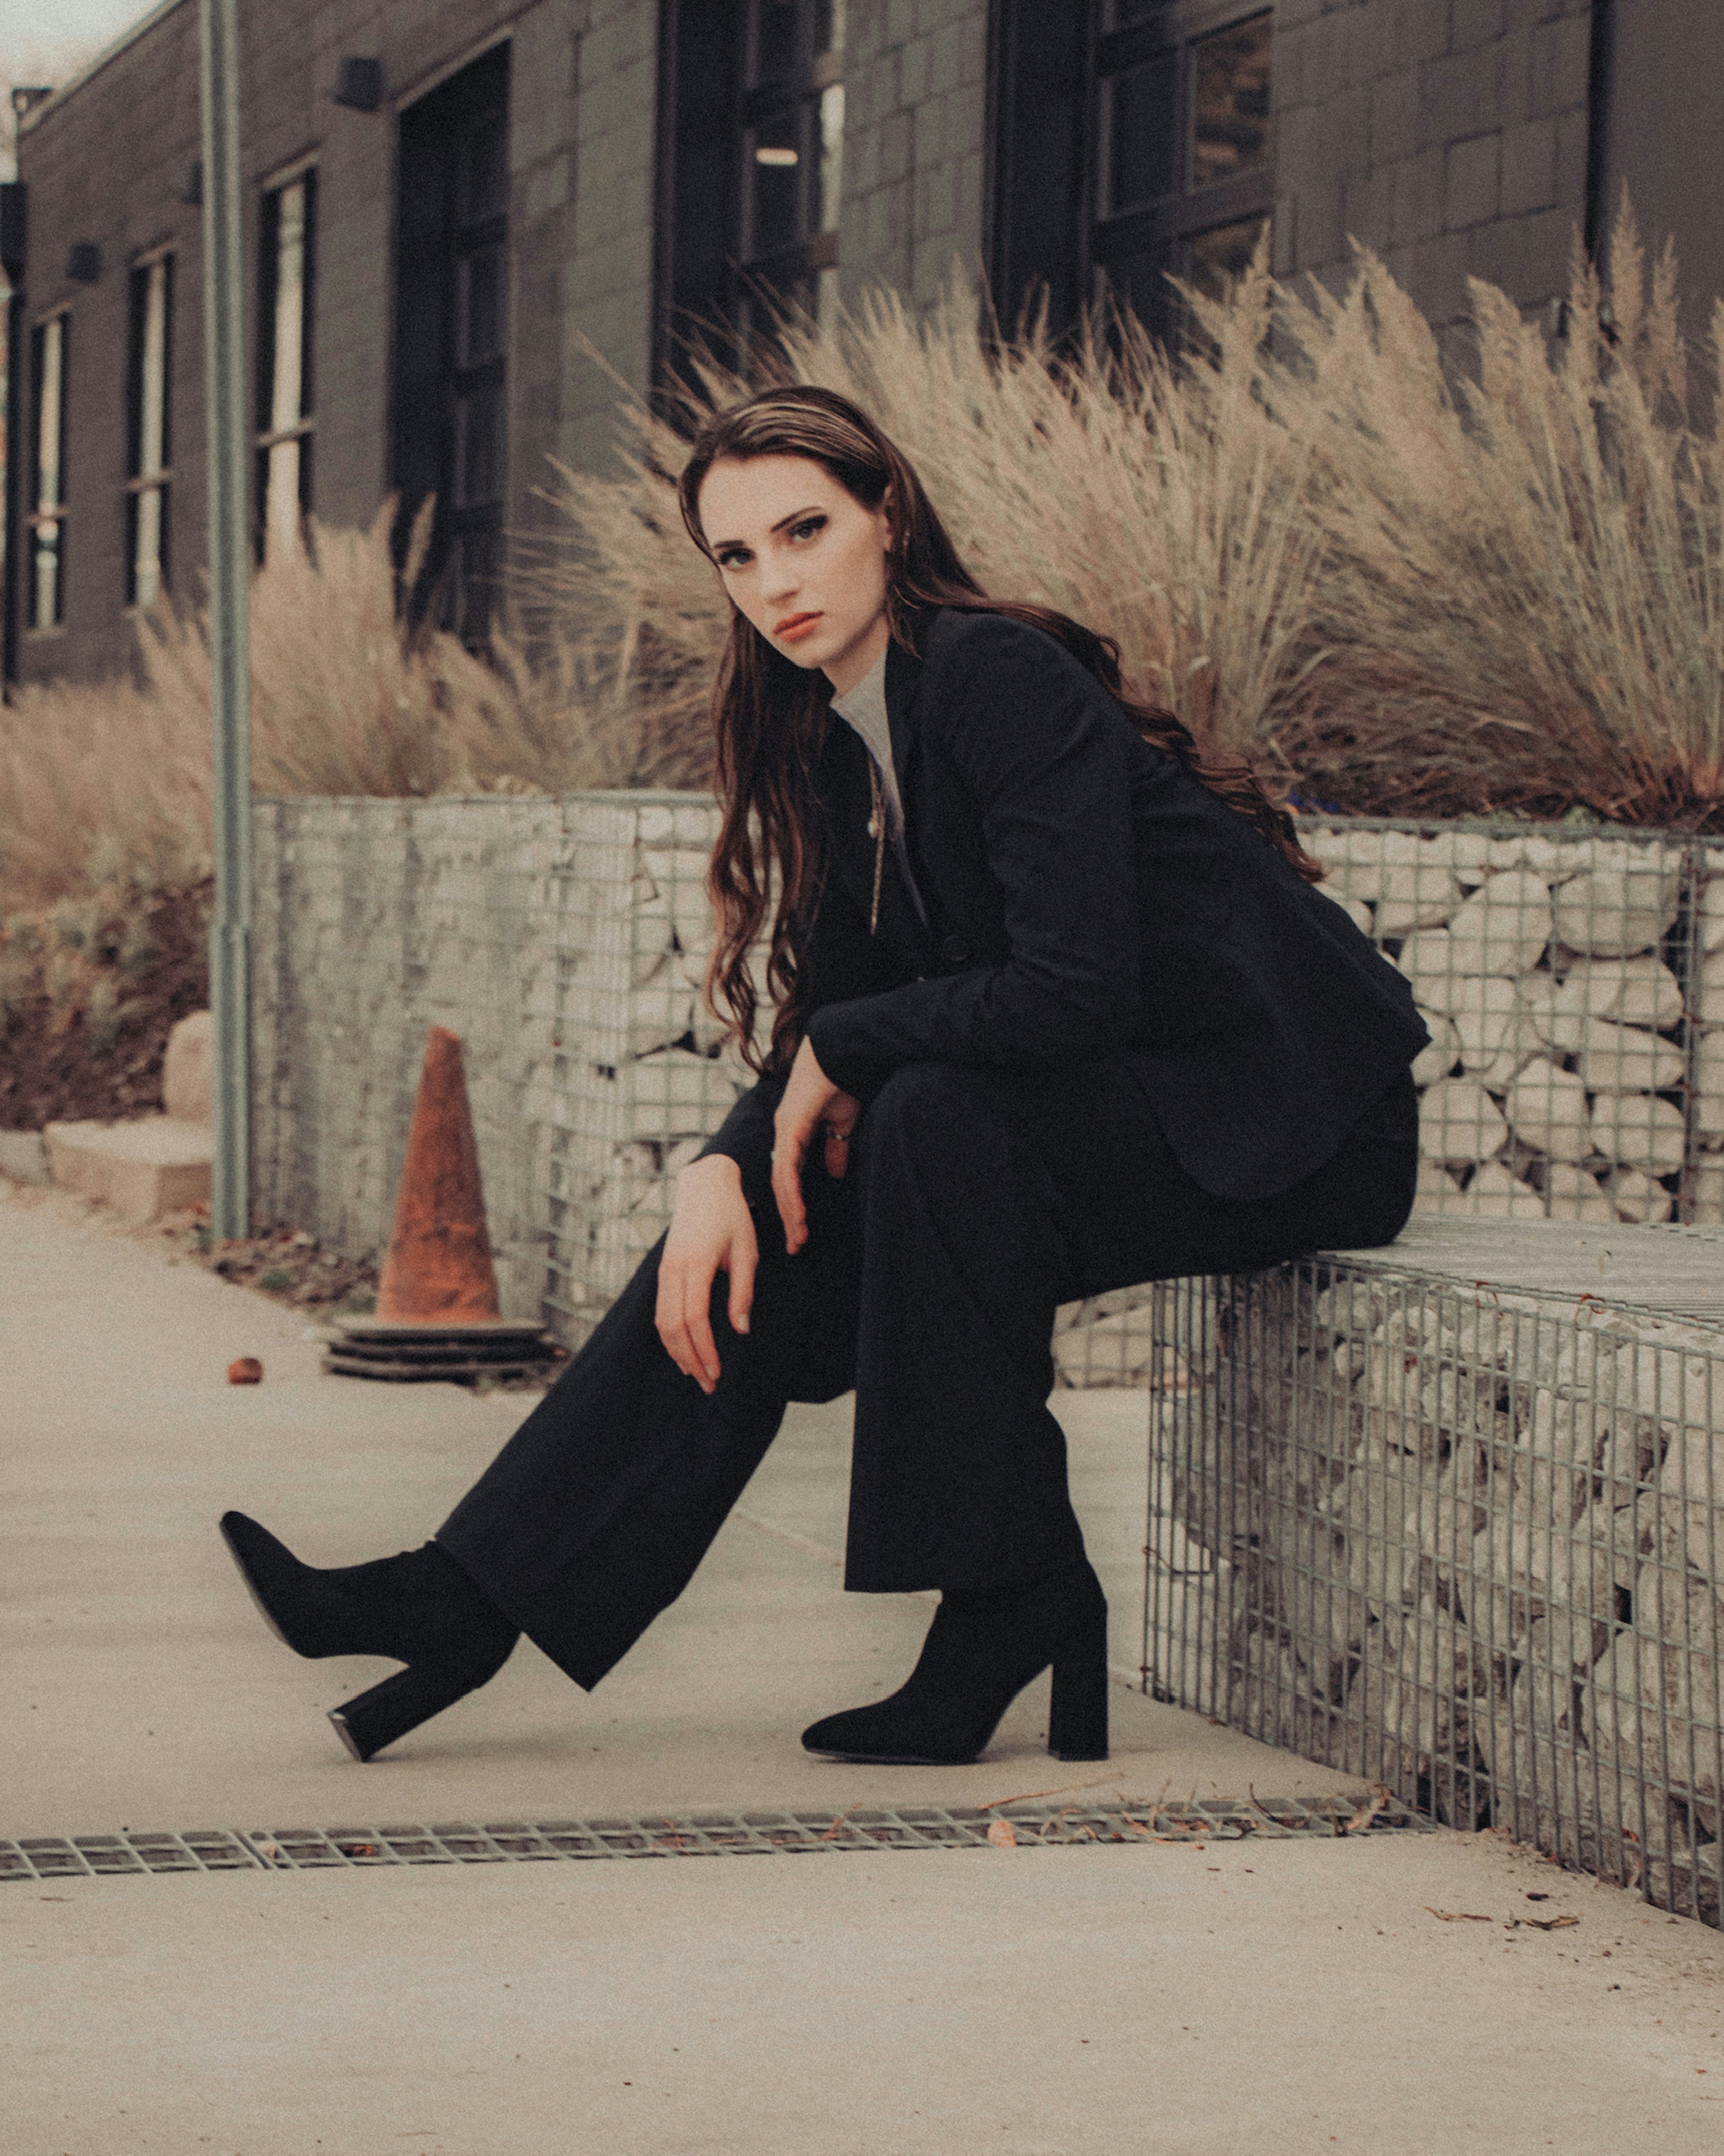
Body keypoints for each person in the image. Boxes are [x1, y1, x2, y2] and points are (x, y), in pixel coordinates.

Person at [220, 385, 1429, 1767]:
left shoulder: (990, 673)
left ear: (887, 514)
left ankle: (1007, 1594)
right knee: (773, 1230)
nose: (774, 581)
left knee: (927, 1114)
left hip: (1287, 1124)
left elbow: (1073, 988)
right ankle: (467, 1594)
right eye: (737, 556)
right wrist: (726, 1169)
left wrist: (840, 1063)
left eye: (803, 530)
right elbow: (839, 1002)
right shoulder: (837, 728)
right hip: (1113, 1112)